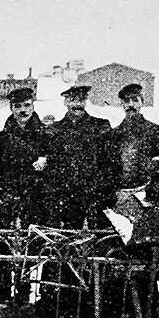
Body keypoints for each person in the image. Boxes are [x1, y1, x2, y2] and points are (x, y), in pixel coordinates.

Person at [46, 85, 112, 228]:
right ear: (65, 102)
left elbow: (109, 162)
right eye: (73, 100)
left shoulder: (100, 126)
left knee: (101, 237)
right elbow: (51, 164)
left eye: (81, 99)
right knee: (70, 238)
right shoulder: (55, 130)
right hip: (68, 196)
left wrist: (104, 189)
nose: (77, 104)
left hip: (95, 193)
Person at [0, 87, 52, 227]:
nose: (23, 110)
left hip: (38, 197)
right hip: (9, 197)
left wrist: (47, 159)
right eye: (17, 106)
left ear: (33, 106)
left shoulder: (46, 134)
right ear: (11, 108)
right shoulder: (2, 138)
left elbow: (58, 162)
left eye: (27, 105)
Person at [98, 83, 159, 203]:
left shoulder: (155, 131)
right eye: (126, 100)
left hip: (147, 194)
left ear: (142, 102)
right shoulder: (112, 135)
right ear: (121, 104)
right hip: (120, 194)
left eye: (135, 100)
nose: (130, 104)